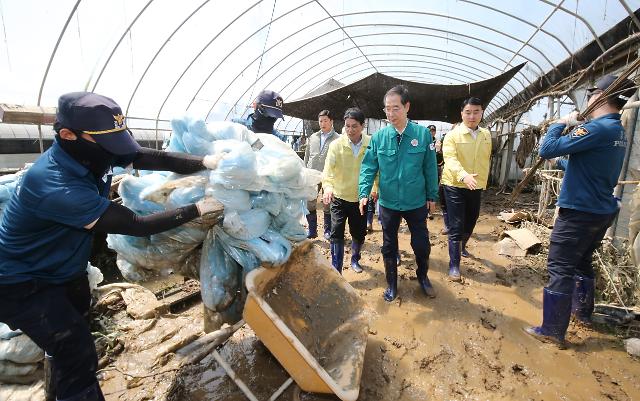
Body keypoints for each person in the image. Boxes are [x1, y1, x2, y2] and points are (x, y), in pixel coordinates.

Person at [0, 92, 225, 401]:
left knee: (68, 343)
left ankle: (59, 390)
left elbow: (147, 157)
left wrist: (205, 162)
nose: (116, 152)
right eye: (109, 144)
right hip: (22, 282)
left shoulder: (93, 151)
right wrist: (197, 209)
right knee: (76, 350)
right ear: (67, 135)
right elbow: (136, 224)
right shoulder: (54, 184)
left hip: (64, 270)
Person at [524, 75, 636, 348]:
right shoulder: (615, 130)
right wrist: (565, 161)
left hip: (579, 212)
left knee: (560, 266)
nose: (587, 98)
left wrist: (560, 124)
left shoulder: (596, 129)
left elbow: (546, 148)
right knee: (582, 262)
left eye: (590, 93)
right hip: (601, 210)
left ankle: (552, 330)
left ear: (600, 95)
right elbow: (588, 166)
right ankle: (582, 313)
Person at [359, 85, 439, 301]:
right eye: (387, 109)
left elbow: (430, 168)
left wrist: (432, 196)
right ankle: (392, 284)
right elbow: (368, 167)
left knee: (421, 244)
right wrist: (364, 192)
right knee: (388, 245)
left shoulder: (422, 135)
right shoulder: (379, 137)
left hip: (415, 202)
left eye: (396, 108)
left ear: (407, 107)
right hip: (388, 202)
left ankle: (423, 276)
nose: (391, 114)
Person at [441, 98, 492, 282]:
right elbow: (450, 159)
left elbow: (486, 159)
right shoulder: (452, 136)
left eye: (476, 112)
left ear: (482, 113)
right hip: (455, 183)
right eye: (468, 112)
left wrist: (482, 181)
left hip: (475, 185)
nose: (472, 116)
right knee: (456, 225)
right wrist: (463, 175)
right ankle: (454, 265)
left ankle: (462, 247)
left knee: (471, 220)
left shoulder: (486, 134)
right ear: (461, 114)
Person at [322, 108, 377, 274]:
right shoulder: (336, 145)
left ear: (363, 126)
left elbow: (376, 169)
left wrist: (374, 188)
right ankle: (336, 268)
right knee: (336, 233)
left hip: (360, 199)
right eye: (347, 126)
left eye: (354, 126)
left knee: (359, 233)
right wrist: (328, 188)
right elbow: (328, 171)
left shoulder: (371, 143)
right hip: (338, 196)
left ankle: (355, 259)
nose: (350, 130)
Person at [304, 110, 340, 239]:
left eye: (325, 121)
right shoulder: (313, 137)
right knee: (310, 202)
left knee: (327, 203)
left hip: (328, 176)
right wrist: (305, 170)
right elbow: (307, 156)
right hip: (312, 175)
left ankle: (327, 230)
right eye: (320, 121)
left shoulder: (338, 139)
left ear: (331, 121)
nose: (322, 123)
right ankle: (312, 230)